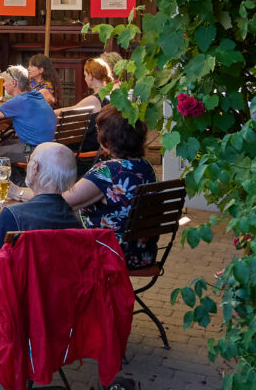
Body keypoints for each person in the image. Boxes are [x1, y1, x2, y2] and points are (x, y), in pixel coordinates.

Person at [8, 106, 155, 268]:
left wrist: (19, 192)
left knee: (37, 239)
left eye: (99, 129)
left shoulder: (107, 172)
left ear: (108, 138)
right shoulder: (145, 167)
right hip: (142, 253)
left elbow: (56, 202)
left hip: (108, 253)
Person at [0, 142, 83, 324]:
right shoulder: (76, 222)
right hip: (54, 308)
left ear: (35, 168)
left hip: (6, 307)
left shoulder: (13, 216)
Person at [0, 65, 56, 163]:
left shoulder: (19, 101)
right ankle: (14, 177)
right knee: (3, 144)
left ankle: (14, 178)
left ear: (14, 83)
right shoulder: (36, 94)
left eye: (5, 81)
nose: (3, 85)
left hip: (32, 150)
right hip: (47, 147)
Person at [61, 57, 114, 152]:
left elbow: (65, 112)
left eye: (85, 75)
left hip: (88, 146)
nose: (85, 79)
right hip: (104, 143)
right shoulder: (113, 95)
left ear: (91, 76)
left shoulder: (94, 100)